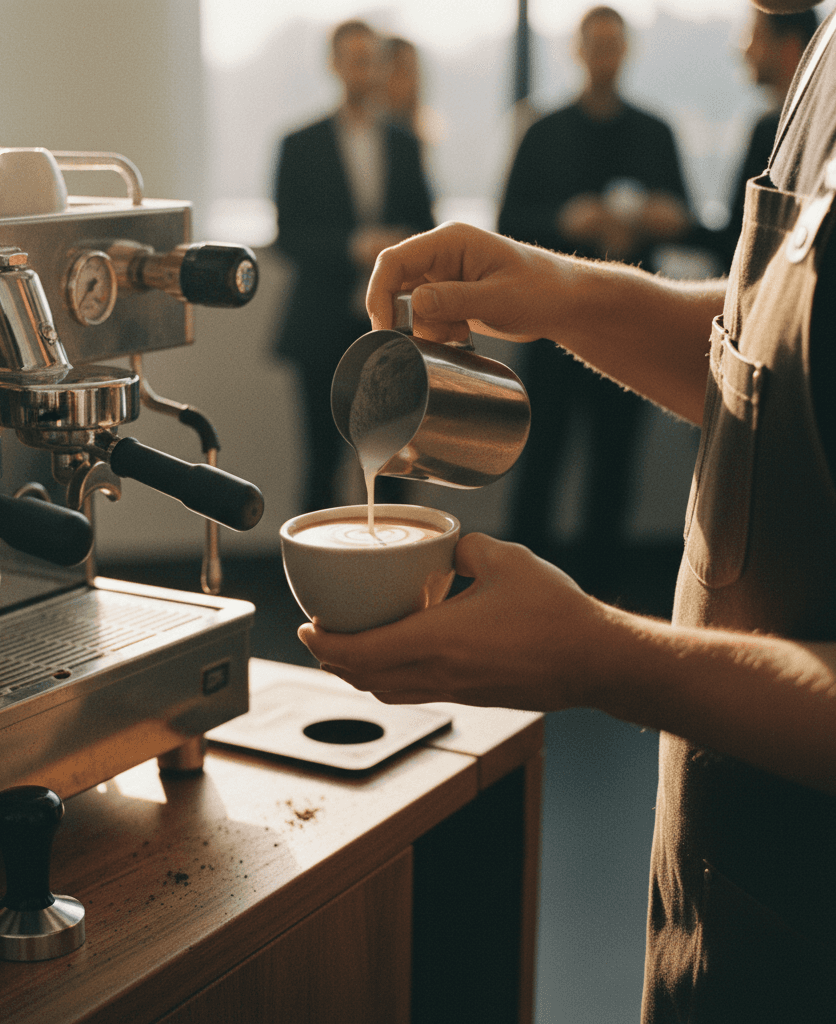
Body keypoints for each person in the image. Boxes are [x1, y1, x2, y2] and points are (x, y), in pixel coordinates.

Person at [300, 2, 836, 1020]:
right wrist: (563, 292)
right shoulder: (822, 57)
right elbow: (774, 362)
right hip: (715, 884)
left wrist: (602, 657)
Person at [498, 5, 694, 597]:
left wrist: (666, 218)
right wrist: (565, 218)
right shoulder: (542, 129)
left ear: (626, 51)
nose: (604, 53)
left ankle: (600, 601)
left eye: (614, 43)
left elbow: (684, 216)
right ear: (577, 51)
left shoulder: (655, 131)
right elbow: (507, 222)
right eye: (595, 43)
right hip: (550, 325)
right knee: (540, 464)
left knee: (615, 467)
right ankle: (515, 593)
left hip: (630, 325)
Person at [272, 20, 435, 513]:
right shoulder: (299, 144)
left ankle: (394, 577)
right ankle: (315, 579)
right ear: (335, 64)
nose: (363, 70)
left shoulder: (405, 143)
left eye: (372, 59)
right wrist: (352, 245)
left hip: (388, 323)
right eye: (354, 58)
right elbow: (288, 238)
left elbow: (426, 225)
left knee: (392, 462)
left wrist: (397, 245)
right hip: (321, 320)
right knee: (321, 462)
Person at [710, 7, 818, 264]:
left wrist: (677, 226)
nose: (743, 49)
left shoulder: (770, 129)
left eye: (754, 35)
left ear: (790, 48)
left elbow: (738, 240)